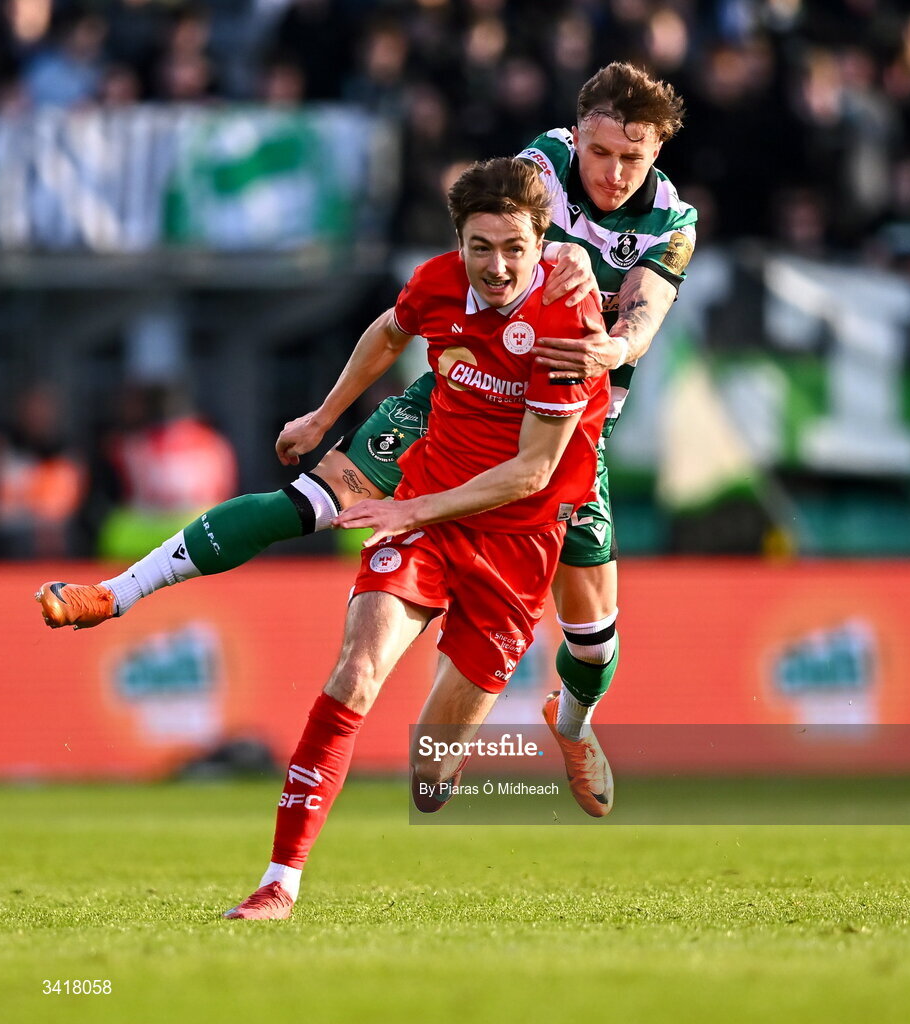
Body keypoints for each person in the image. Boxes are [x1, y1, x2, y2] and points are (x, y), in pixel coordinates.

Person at [36, 60, 697, 819]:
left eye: (631, 159)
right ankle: (116, 594)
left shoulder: (671, 219)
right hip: (455, 395)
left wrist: (611, 350)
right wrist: (322, 417)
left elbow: (643, 314)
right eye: (601, 152)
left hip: (559, 434)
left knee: (591, 643)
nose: (612, 173)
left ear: (656, 155)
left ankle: (573, 726)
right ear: (576, 135)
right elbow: (486, 238)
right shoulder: (540, 165)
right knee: (310, 500)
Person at [224, 156, 605, 917]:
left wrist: (403, 511)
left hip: (515, 544)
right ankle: (278, 884)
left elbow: (530, 474)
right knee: (354, 675)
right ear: (458, 242)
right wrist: (325, 416)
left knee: (429, 777)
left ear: (542, 247)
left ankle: (459, 757)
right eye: (479, 247)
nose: (495, 268)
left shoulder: (568, 326)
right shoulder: (437, 281)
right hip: (429, 515)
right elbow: (389, 330)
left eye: (513, 249)